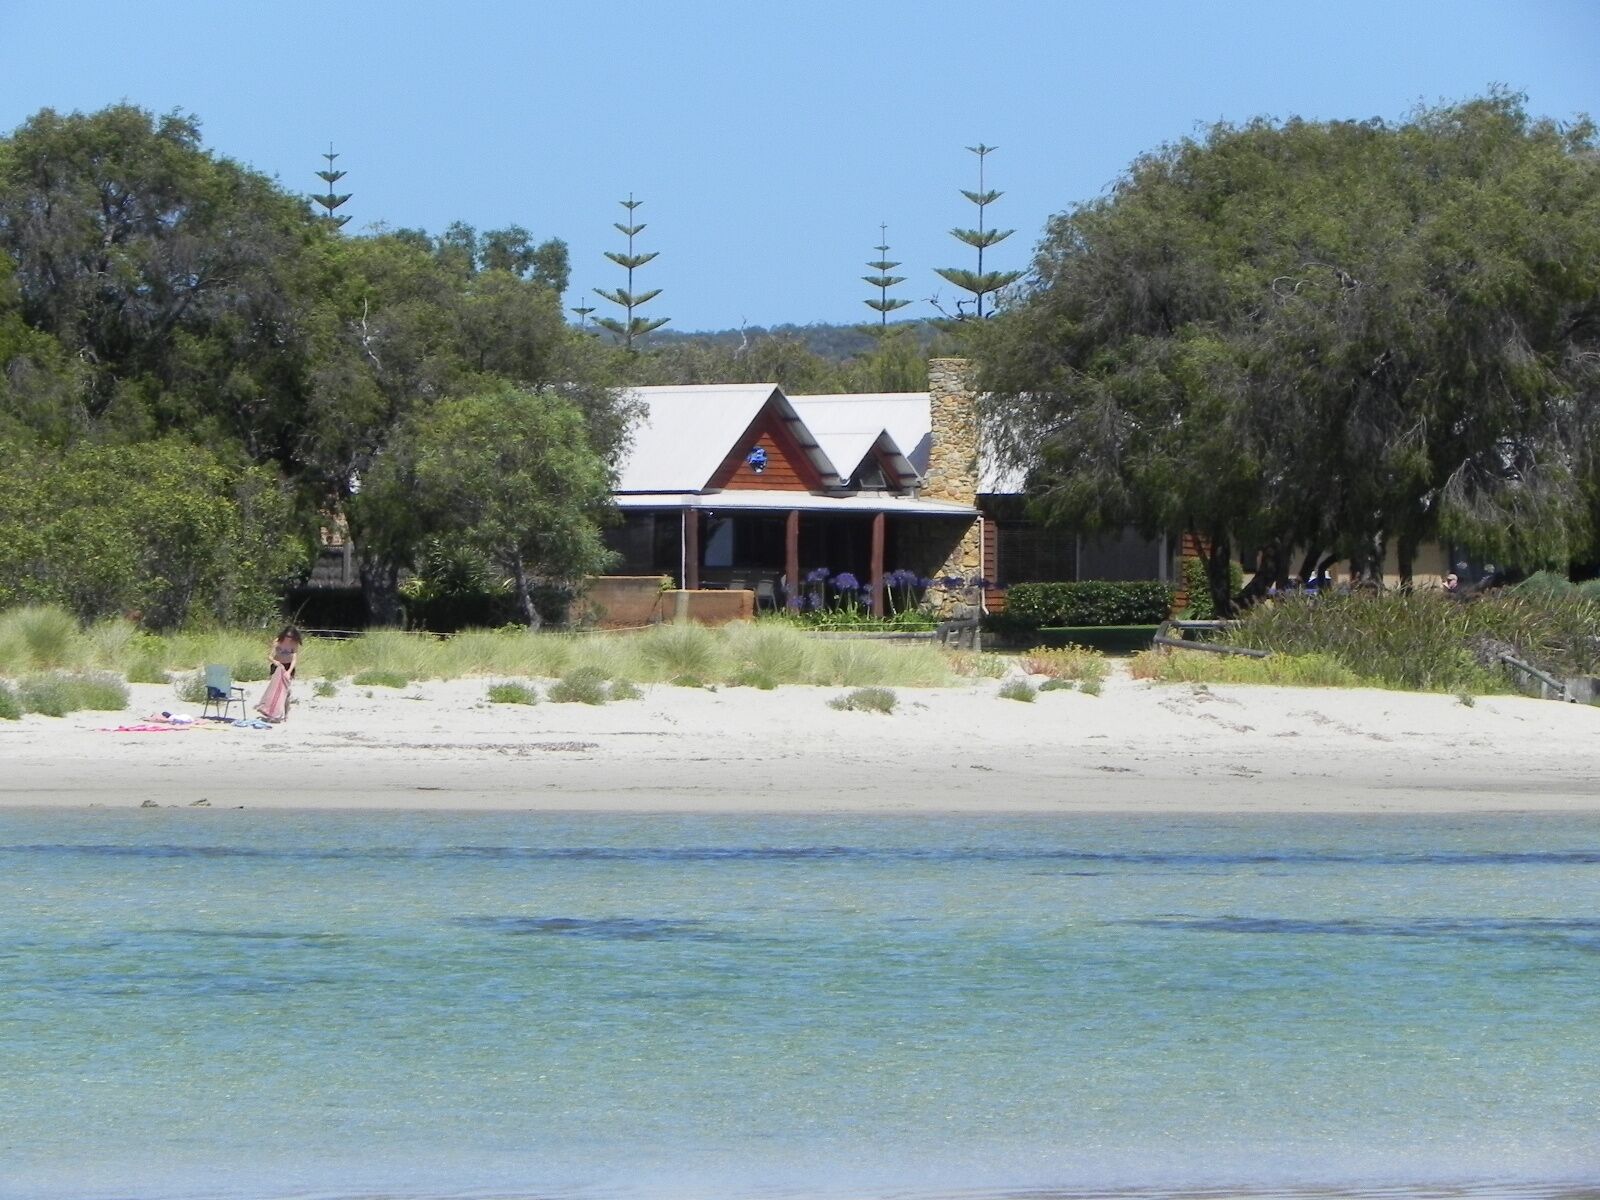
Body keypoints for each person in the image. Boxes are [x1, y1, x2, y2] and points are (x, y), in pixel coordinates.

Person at [255, 626, 303, 722]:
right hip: (277, 666)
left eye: (291, 637)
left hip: (288, 666)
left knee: (286, 691)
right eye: (287, 636)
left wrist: (289, 671)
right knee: (274, 690)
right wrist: (275, 662)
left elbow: (294, 659)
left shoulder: (294, 644)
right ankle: (270, 711)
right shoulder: (277, 642)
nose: (289, 638)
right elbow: (269, 656)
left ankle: (286, 714)